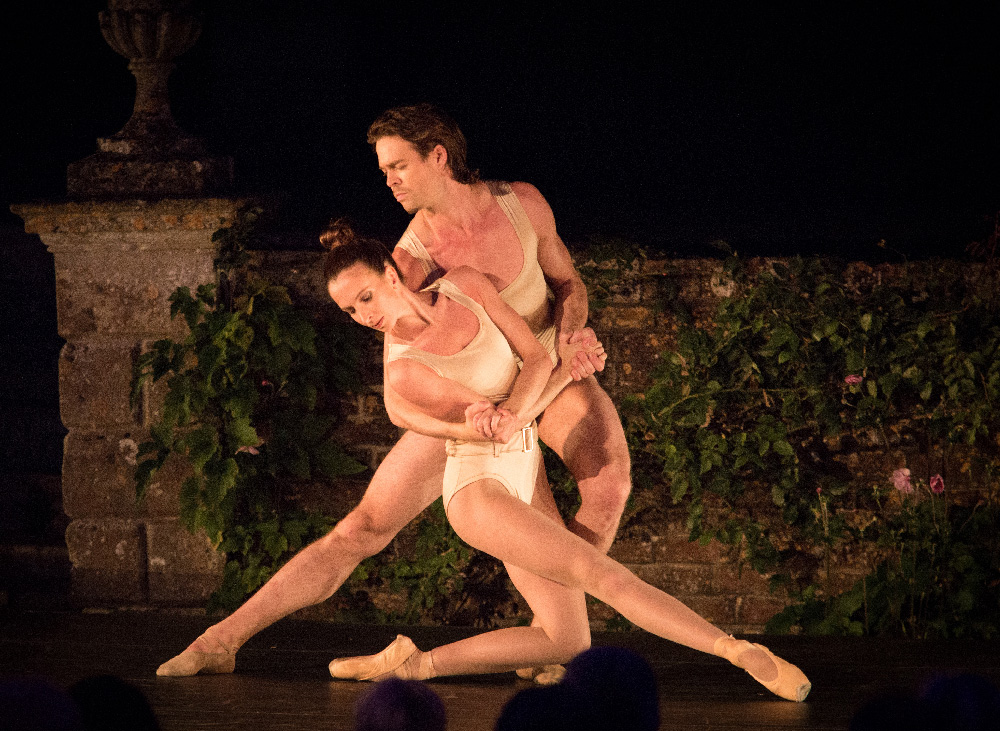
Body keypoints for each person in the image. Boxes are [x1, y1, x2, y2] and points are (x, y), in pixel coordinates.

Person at [156, 103, 623, 681]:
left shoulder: (521, 203)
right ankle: (220, 640)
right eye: (383, 171)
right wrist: (470, 422)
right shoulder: (405, 264)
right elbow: (399, 394)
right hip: (476, 399)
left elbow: (569, 282)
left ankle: (544, 639)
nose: (390, 180)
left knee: (609, 484)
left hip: (544, 369)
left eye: (398, 166)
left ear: (439, 156)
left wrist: (571, 334)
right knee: (364, 527)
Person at [320, 230, 811, 703]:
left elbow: (535, 358)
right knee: (602, 575)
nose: (364, 316)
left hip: (522, 465)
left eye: (365, 297)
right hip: (478, 488)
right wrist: (556, 377)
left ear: (391, 274)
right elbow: (501, 426)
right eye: (350, 310)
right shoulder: (405, 369)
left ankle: (416, 665)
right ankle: (737, 652)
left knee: (567, 639)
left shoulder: (465, 285)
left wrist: (568, 364)